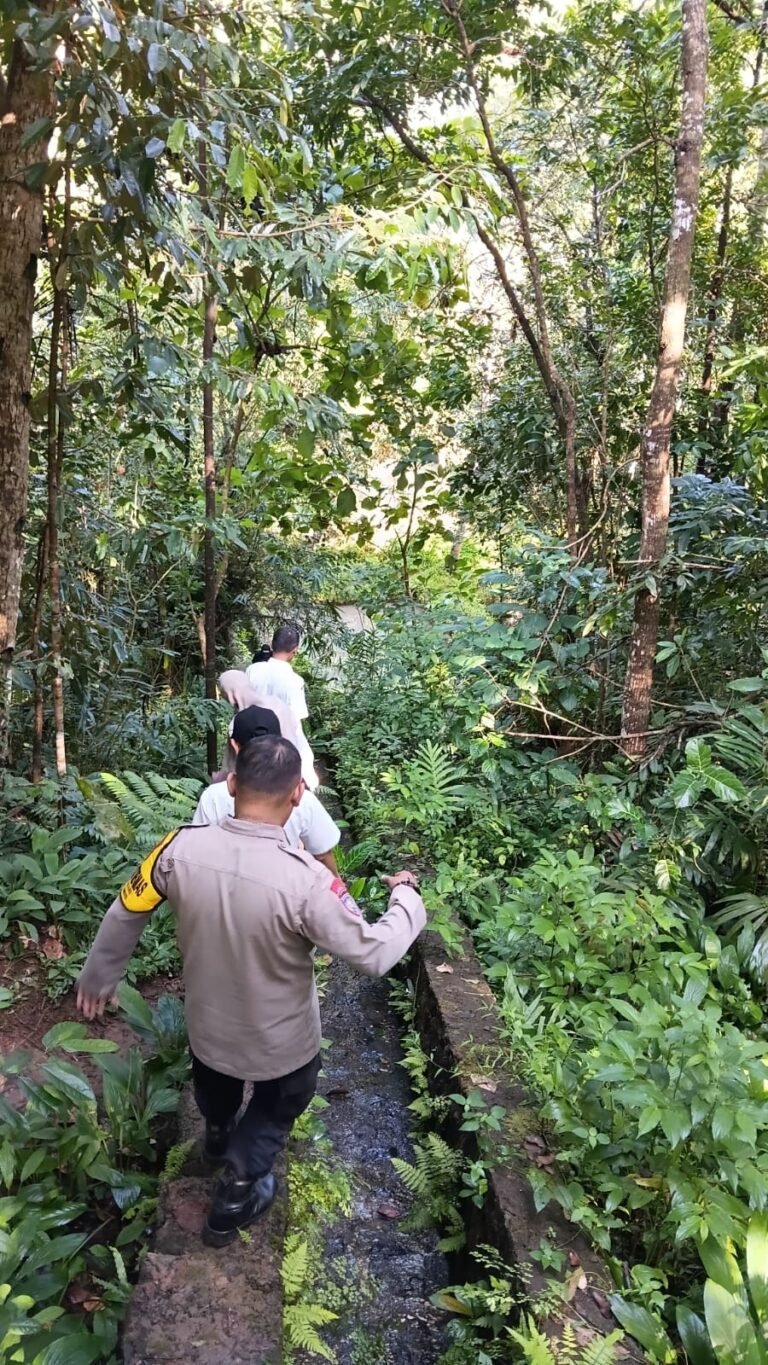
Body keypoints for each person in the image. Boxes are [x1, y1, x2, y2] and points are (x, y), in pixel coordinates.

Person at [76, 735, 425, 1248]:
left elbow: (128, 906)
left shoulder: (177, 848)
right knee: (279, 1104)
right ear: (298, 795)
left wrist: (99, 976)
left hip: (209, 1033)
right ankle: (237, 1191)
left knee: (215, 1089)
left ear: (232, 784)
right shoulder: (307, 881)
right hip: (283, 1047)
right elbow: (372, 953)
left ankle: (216, 1136)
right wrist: (406, 899)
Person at [193, 704, 340, 873]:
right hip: (284, 886)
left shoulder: (213, 795)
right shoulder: (302, 798)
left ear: (234, 745)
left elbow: (199, 849)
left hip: (225, 886)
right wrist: (342, 892)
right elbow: (322, 854)